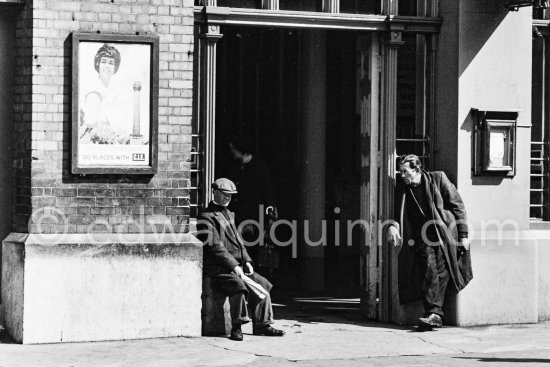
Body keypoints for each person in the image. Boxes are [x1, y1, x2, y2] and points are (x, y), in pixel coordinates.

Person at [387, 154, 473, 330]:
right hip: (421, 238)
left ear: (417, 169)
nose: (402, 175)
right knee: (429, 270)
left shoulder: (438, 179)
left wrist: (463, 235)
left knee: (442, 273)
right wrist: (392, 226)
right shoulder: (402, 188)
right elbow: (396, 214)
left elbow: (457, 206)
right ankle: (434, 314)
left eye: (406, 171)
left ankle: (434, 314)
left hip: (444, 235)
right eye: (401, 171)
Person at [197, 178, 285, 341]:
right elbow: (215, 247)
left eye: (230, 196)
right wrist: (234, 266)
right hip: (220, 268)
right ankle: (236, 327)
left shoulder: (230, 213)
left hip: (238, 265)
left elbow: (238, 242)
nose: (228, 198)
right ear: (214, 192)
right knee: (238, 286)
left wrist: (248, 261)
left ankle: (263, 324)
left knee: (263, 284)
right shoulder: (206, 217)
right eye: (224, 195)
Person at [223, 133, 278, 264]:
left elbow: (267, 192)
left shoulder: (259, 166)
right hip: (237, 216)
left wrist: (269, 214)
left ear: (240, 148)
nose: (231, 152)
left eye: (233, 148)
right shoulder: (235, 166)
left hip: (252, 217)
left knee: (250, 251)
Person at [80, 43, 130, 144]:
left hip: (105, 140)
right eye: (104, 62)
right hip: (92, 141)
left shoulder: (111, 90)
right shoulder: (94, 89)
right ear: (98, 64)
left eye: (111, 63)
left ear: (115, 67)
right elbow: (90, 121)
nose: (107, 66)